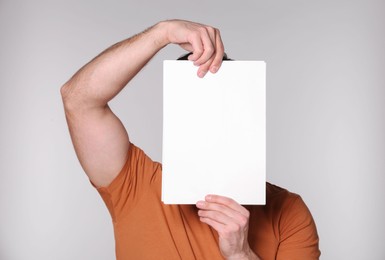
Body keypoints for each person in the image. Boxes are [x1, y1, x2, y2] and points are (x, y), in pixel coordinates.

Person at [61, 19, 320, 260]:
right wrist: (163, 32)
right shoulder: (136, 185)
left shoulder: (289, 213)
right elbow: (78, 99)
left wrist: (241, 255)